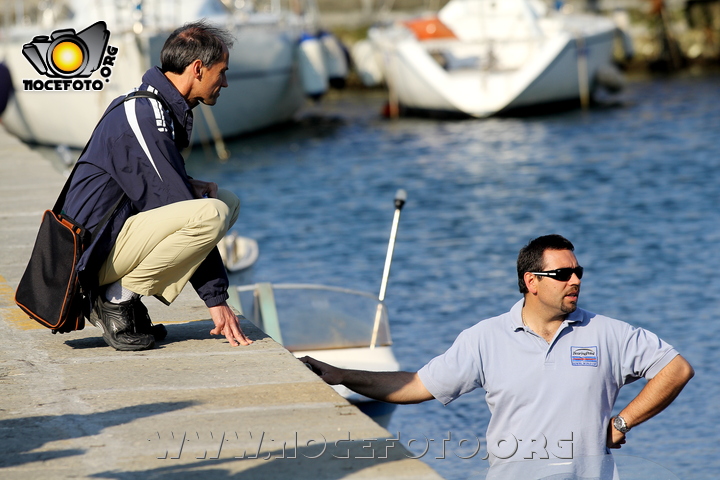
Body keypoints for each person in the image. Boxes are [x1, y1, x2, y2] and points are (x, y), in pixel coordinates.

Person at [301, 234, 694, 471]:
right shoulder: (485, 338)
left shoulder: (607, 333)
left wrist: (622, 422)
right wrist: (342, 375)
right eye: (562, 274)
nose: (575, 280)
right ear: (531, 282)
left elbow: (676, 368)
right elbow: (416, 385)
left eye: (578, 273)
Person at [62, 20, 252, 351]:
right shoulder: (144, 115)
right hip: (87, 258)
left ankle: (126, 298)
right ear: (197, 69)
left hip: (110, 240)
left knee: (226, 201)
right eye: (221, 72)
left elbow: (149, 187)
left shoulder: (153, 106)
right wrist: (217, 298)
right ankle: (116, 299)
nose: (225, 82)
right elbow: (173, 204)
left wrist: (188, 185)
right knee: (211, 214)